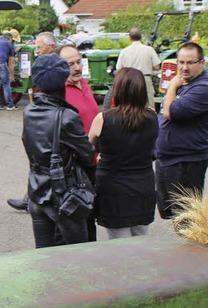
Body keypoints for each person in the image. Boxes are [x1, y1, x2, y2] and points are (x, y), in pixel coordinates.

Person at [22, 54, 95, 248]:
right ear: (63, 79)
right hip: (64, 196)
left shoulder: (29, 111)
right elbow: (88, 156)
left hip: (37, 192)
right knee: (77, 253)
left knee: (44, 253)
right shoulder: (67, 117)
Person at [88, 67, 158, 239]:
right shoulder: (152, 117)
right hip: (143, 186)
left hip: (112, 188)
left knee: (119, 243)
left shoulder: (103, 119)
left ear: (117, 90)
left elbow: (87, 147)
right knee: (141, 238)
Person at [156, 42, 208, 219]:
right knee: (168, 212)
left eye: (190, 63)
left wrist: (172, 85)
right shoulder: (184, 83)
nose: (184, 68)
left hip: (186, 161)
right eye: (181, 62)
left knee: (186, 217)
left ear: (202, 63)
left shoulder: (203, 87)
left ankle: (190, 248)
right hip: (168, 159)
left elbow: (170, 112)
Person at [7, 31, 58, 211]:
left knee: (44, 162)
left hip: (52, 118)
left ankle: (35, 199)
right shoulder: (44, 61)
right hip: (42, 114)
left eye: (39, 47)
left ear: (51, 46)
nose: (37, 50)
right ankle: (30, 198)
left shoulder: (57, 65)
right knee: (37, 161)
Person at [59, 44, 100, 241]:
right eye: (70, 64)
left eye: (78, 62)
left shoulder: (84, 84)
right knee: (78, 216)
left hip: (94, 158)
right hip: (76, 163)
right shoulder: (59, 91)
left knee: (91, 214)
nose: (76, 68)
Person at [116, 27, 161, 109]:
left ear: (129, 38)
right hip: (145, 79)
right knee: (149, 106)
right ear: (141, 37)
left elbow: (119, 69)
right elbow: (157, 66)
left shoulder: (124, 51)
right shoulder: (149, 50)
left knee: (130, 105)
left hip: (129, 80)